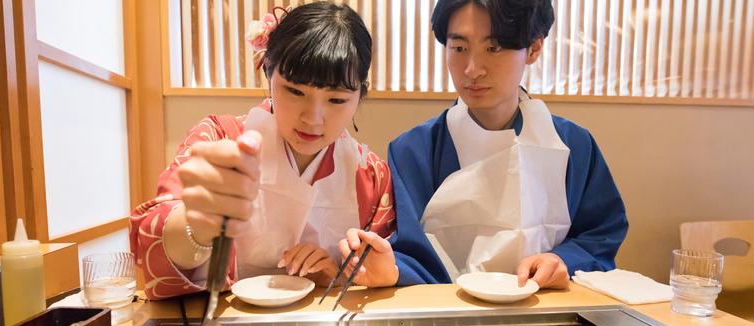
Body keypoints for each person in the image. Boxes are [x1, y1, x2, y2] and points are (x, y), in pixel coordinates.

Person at [351, 0, 628, 289]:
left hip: (545, 314)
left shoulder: (572, 146)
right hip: (448, 318)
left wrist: (563, 260)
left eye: (493, 48)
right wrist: (390, 267)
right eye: (459, 48)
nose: (472, 69)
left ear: (533, 49)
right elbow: (408, 254)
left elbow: (601, 234)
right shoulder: (413, 151)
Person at [130, 2, 395, 299]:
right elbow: (155, 239)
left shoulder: (372, 174)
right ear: (268, 72)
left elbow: (371, 275)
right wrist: (197, 223)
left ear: (361, 92)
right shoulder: (218, 138)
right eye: (295, 91)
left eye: (336, 100)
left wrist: (337, 274)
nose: (312, 118)